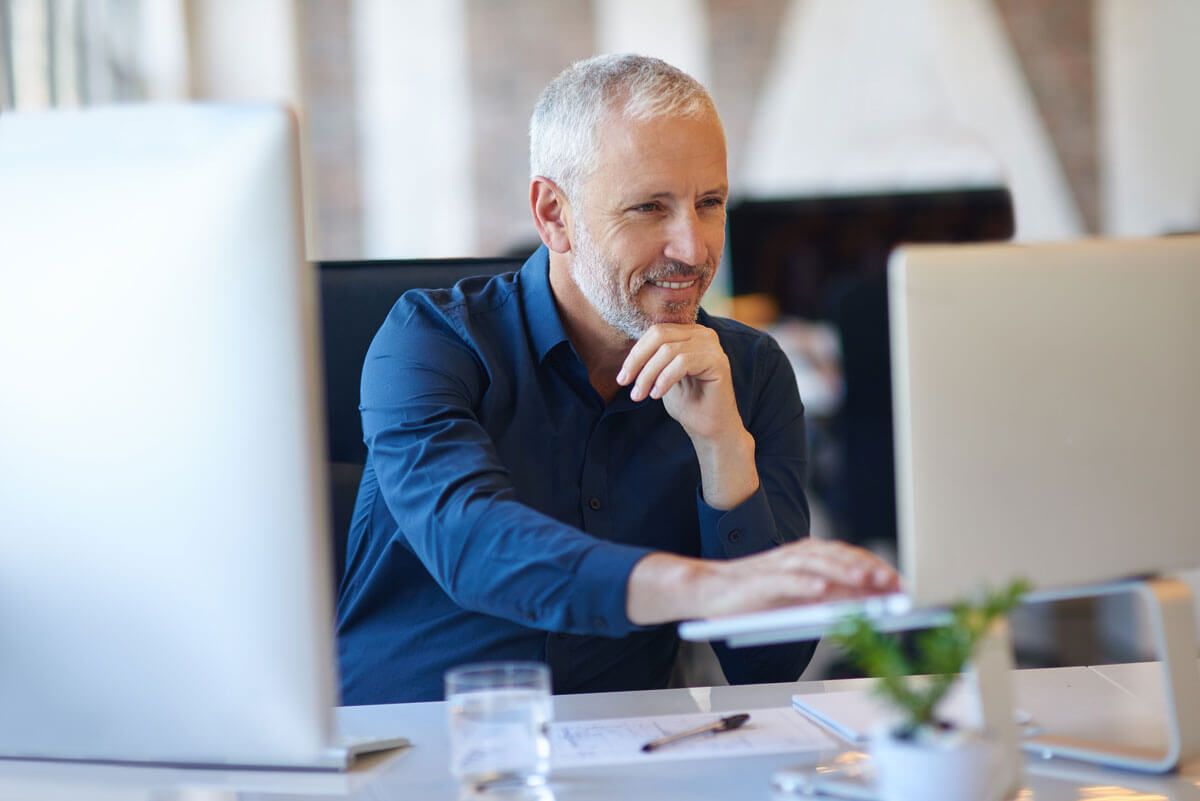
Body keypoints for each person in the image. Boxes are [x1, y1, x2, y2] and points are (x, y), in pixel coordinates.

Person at [336, 54, 897, 704]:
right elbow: (475, 543)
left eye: (709, 202)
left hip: (633, 752)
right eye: (649, 208)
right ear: (554, 215)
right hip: (415, 745)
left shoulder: (748, 371)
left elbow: (767, 664)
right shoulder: (430, 342)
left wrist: (722, 447)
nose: (693, 248)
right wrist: (706, 588)